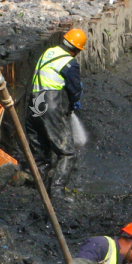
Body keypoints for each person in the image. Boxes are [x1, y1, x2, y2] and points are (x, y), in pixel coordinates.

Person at [25, 28, 86, 197]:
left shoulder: (49, 52)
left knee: (40, 151)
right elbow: (74, 89)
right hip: (49, 107)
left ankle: (40, 191)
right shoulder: (69, 62)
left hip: (34, 105)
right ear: (77, 49)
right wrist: (74, 104)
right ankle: (57, 193)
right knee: (67, 153)